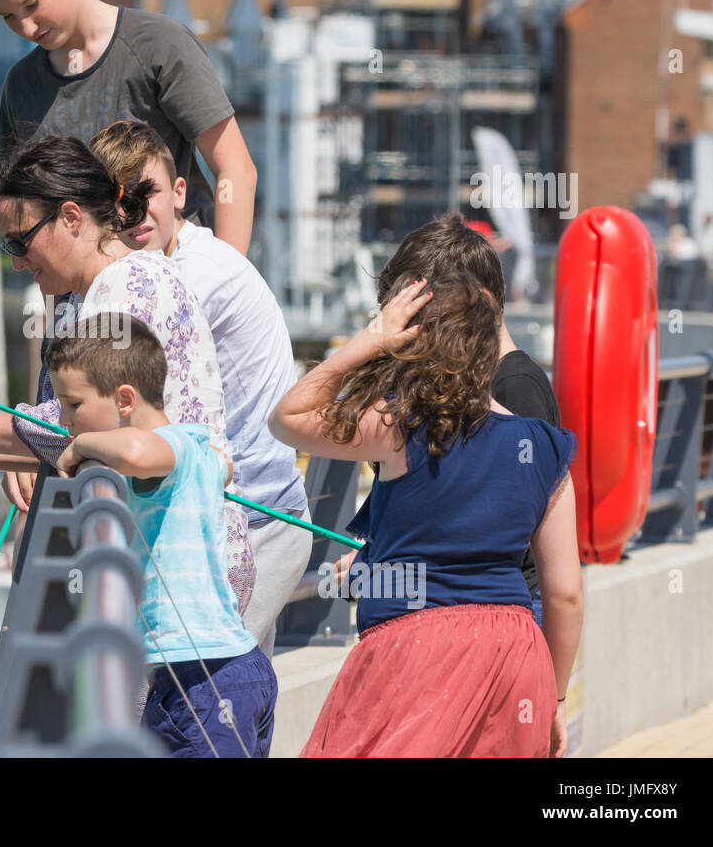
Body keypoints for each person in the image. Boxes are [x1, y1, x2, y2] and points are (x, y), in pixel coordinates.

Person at [0, 135, 252, 752]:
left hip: (177, 568)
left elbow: (70, 429)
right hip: (176, 558)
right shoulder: (120, 284)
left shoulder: (122, 290)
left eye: (19, 241)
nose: (15, 261)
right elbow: (68, 434)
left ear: (70, 217)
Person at [271, 275, 583, 757]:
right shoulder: (545, 447)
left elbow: (287, 417)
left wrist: (371, 338)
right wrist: (555, 697)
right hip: (516, 652)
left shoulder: (400, 428)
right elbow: (564, 594)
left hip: (416, 650)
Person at [90, 119, 310, 658]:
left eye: (148, 194)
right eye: (118, 200)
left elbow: (113, 397)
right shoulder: (169, 266)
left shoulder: (188, 276)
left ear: (181, 192)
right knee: (237, 708)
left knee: (207, 701)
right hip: (246, 512)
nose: (134, 214)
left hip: (257, 518)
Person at [0, 0, 257, 253]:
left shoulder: (160, 45)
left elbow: (236, 171)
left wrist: (224, 286)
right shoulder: (20, 86)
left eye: (31, 4)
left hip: (181, 288)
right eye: (7, 16)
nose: (24, 26)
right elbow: (24, 216)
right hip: (85, 305)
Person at [50, 317, 276, 757]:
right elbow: (222, 466)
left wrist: (83, 447)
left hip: (204, 679)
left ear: (125, 399)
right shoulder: (193, 448)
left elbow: (136, 450)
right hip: (224, 674)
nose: (63, 419)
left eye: (72, 404)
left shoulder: (166, 448)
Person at [338, 213, 560, 626]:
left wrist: (377, 573)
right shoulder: (473, 383)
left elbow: (485, 543)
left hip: (498, 620)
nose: (414, 332)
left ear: (482, 304)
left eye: (427, 315)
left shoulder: (514, 389)